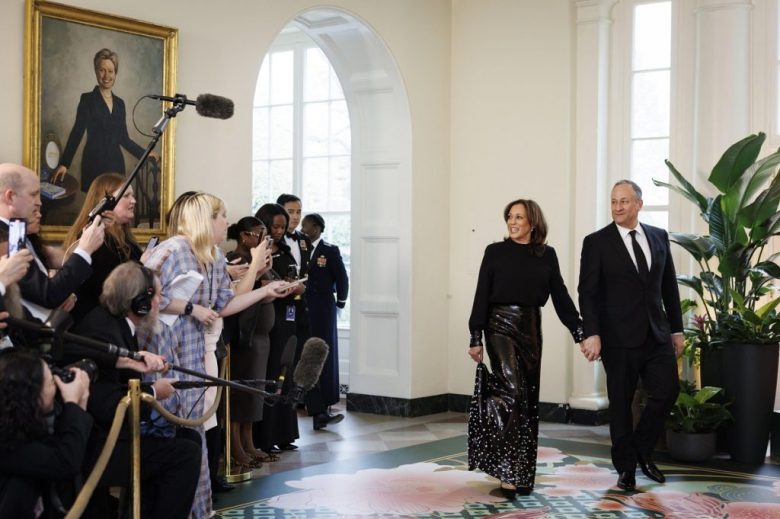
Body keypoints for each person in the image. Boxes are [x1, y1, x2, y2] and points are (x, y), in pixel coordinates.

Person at [141, 193, 289, 517]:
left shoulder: (213, 257)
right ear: (206, 220)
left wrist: (266, 290)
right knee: (171, 439)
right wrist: (190, 308)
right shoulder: (172, 250)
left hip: (193, 360)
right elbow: (139, 297)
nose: (227, 223)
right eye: (222, 216)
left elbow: (224, 305)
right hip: (164, 359)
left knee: (194, 439)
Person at [64, 262, 201, 518]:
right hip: (97, 447)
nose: (161, 301)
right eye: (158, 295)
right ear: (140, 303)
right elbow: (103, 404)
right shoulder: (103, 332)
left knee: (188, 439)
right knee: (185, 454)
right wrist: (152, 391)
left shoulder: (112, 323)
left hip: (109, 435)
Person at [467, 198, 584, 497]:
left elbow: (560, 296)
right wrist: (475, 335)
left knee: (529, 401)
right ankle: (507, 473)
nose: (512, 221)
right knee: (513, 395)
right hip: (498, 327)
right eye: (509, 216)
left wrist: (579, 330)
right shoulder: (495, 252)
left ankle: (523, 475)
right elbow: (482, 292)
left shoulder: (547, 255)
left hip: (531, 328)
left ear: (533, 222)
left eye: (519, 216)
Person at [578, 180, 683, 492]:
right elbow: (587, 293)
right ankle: (626, 469)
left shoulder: (659, 237)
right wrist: (592, 333)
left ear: (639, 203)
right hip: (617, 338)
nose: (617, 207)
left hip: (656, 333)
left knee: (667, 391)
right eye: (613, 202)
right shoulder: (596, 242)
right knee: (621, 405)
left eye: (624, 201)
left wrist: (676, 329)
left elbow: (669, 288)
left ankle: (641, 449)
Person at [0, 163, 105, 322]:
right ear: (10, 197)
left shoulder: (18, 232)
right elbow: (47, 295)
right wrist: (84, 250)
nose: (40, 202)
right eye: (33, 194)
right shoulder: (4, 239)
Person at [0, 349, 92, 518]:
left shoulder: (17, 426)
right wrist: (72, 404)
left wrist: (79, 404)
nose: (56, 386)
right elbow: (65, 462)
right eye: (51, 382)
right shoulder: (7, 444)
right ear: (33, 395)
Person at [53, 48, 156, 193]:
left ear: (116, 73)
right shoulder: (87, 99)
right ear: (96, 71)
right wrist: (64, 164)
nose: (106, 75)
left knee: (115, 210)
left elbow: (124, 139)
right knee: (95, 212)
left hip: (116, 165)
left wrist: (145, 153)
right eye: (102, 70)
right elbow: (77, 132)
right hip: (93, 163)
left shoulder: (120, 103)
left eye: (110, 71)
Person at [223, 216, 279, 471]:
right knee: (240, 393)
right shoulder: (235, 260)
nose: (263, 239)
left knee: (254, 392)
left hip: (260, 336)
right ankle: (235, 446)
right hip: (243, 336)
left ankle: (249, 441)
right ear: (244, 236)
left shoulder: (259, 261)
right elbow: (238, 295)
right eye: (258, 234)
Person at [63, 172, 145, 324]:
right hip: (96, 326)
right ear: (105, 202)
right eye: (126, 196)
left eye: (132, 196)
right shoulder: (94, 239)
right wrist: (142, 265)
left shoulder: (127, 241)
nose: (133, 201)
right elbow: (108, 289)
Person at [254, 203, 301, 452]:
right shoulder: (257, 253)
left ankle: (285, 433)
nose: (281, 231)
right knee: (271, 375)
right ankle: (266, 436)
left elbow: (295, 275)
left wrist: (296, 285)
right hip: (268, 319)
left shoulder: (285, 249)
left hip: (288, 317)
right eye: (276, 226)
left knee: (286, 373)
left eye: (284, 227)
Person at [300, 213, 347, 429]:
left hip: (324, 310)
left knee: (324, 354)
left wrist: (340, 304)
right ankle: (312, 405)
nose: (304, 229)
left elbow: (342, 279)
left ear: (318, 228)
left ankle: (326, 404)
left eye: (306, 226)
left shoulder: (329, 250)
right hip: (303, 309)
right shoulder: (301, 249)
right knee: (306, 356)